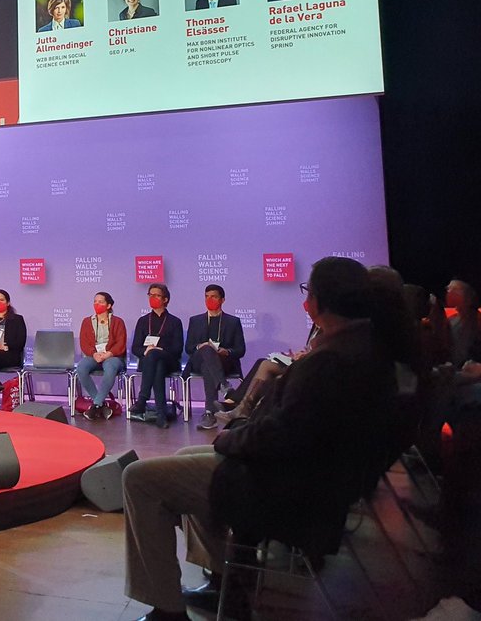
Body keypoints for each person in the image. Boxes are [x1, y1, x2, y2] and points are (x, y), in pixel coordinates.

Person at [121, 257, 398, 621]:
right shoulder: (367, 350)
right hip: (312, 478)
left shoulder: (330, 362)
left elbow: (278, 435)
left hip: (287, 487)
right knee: (190, 452)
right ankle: (223, 580)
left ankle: (167, 610)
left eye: (307, 292)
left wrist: (229, 440)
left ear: (318, 302)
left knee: (139, 478)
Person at [184, 285, 246, 430]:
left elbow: (240, 350)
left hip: (223, 361)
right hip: (198, 360)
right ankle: (224, 387)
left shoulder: (233, 321)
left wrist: (227, 351)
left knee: (208, 367)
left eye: (214, 296)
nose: (209, 300)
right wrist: (201, 347)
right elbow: (189, 348)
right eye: (206, 296)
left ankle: (209, 414)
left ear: (222, 300)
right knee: (206, 349)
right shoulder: (195, 320)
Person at [128, 283, 184, 428]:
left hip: (170, 361)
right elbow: (135, 348)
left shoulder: (175, 322)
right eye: (150, 295)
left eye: (156, 295)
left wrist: (160, 349)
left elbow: (178, 349)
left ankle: (142, 399)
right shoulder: (143, 321)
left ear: (165, 299)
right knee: (157, 365)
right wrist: (146, 351)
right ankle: (161, 415)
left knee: (155, 355)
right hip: (150, 362)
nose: (152, 298)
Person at [76, 291, 127, 421]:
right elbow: (84, 343)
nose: (96, 304)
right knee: (81, 367)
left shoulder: (118, 322)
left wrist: (108, 354)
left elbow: (121, 343)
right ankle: (99, 403)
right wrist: (94, 354)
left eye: (100, 302)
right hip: (95, 355)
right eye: (95, 301)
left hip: (113, 356)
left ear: (109, 305)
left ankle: (96, 405)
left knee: (110, 367)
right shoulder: (87, 321)